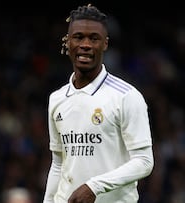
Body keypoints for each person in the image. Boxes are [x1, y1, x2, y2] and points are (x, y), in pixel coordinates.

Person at [43, 4, 154, 203]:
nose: (85, 44)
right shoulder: (57, 99)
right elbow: (59, 163)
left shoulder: (126, 96)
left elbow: (144, 162)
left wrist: (94, 186)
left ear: (105, 44)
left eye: (94, 38)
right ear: (68, 42)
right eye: (78, 37)